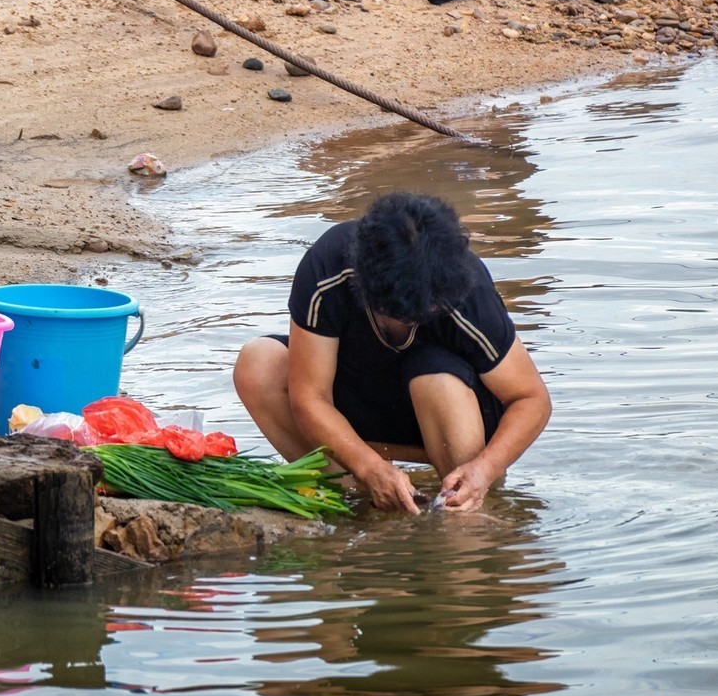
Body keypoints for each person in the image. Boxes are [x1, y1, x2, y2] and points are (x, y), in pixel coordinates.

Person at [233, 192, 551, 515]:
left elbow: (531, 399)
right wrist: (369, 467)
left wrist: (484, 469)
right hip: (362, 409)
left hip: (448, 414)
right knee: (258, 365)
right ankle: (357, 501)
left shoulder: (464, 288)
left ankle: (465, 514)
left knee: (435, 377)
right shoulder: (327, 269)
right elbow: (310, 398)